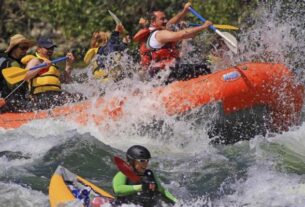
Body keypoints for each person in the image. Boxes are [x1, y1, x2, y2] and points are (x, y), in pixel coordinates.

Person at [133, 3, 213, 83]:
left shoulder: (154, 31)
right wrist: (203, 27)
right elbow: (181, 35)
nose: (166, 21)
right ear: (153, 22)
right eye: (162, 19)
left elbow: (170, 23)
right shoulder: (159, 34)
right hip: (164, 74)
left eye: (165, 18)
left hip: (161, 73)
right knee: (204, 68)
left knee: (193, 66)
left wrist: (185, 11)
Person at [24, 37, 82, 110]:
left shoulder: (53, 65)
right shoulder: (35, 61)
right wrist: (41, 67)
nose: (50, 50)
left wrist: (68, 64)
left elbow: (65, 80)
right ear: (38, 49)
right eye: (47, 48)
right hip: (41, 96)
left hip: (55, 95)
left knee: (79, 97)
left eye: (52, 48)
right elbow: (25, 76)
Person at [112, 145, 177, 207]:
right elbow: (118, 190)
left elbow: (162, 190)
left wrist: (176, 202)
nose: (146, 164)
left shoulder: (150, 174)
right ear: (132, 161)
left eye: (147, 160)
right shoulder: (123, 173)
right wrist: (141, 187)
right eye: (142, 161)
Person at [0, 34, 35, 112]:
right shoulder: (5, 61)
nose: (25, 51)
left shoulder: (22, 64)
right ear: (13, 48)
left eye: (26, 48)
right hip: (7, 102)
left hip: (21, 101)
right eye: (22, 48)